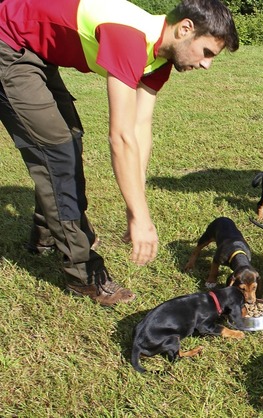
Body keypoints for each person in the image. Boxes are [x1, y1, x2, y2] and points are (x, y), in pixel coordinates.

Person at [0, 0, 239, 305]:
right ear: (185, 28)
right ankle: (84, 273)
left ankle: (45, 236)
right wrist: (140, 218)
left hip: (35, 51)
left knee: (68, 138)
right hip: (8, 42)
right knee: (57, 152)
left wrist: (135, 203)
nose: (207, 64)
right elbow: (121, 137)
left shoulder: (160, 58)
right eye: (207, 52)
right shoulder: (129, 37)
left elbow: (140, 129)